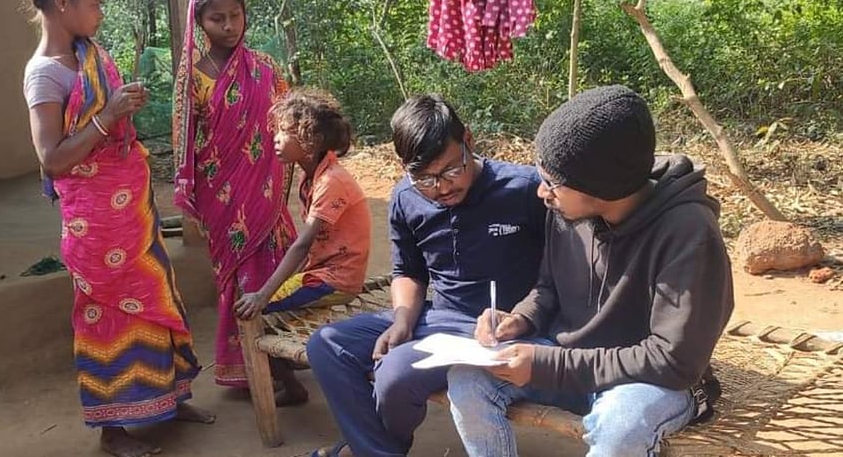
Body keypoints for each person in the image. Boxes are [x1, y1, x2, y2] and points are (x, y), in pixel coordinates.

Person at [446, 85, 734, 457]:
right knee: (468, 378)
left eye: (552, 183)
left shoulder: (688, 232)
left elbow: (673, 360)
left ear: (599, 185)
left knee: (621, 427)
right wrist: (520, 318)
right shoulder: (566, 210)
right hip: (572, 361)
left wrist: (549, 366)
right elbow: (548, 287)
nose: (542, 193)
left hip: (647, 380)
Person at [18, 0, 214, 457]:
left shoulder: (89, 53)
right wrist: (107, 117)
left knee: (155, 297)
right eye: (95, 4)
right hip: (95, 225)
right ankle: (113, 430)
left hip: (132, 214)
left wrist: (121, 108)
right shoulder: (44, 75)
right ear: (62, 2)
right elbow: (52, 160)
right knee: (108, 317)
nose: (101, 14)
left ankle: (170, 398)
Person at [306, 94, 547, 457]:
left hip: (506, 325)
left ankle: (367, 449)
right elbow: (408, 271)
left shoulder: (524, 189)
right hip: (440, 320)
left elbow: (558, 273)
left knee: (395, 374)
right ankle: (376, 451)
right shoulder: (406, 197)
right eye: (424, 178)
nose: (442, 187)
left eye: (451, 170)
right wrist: (403, 322)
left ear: (468, 140)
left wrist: (522, 317)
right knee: (326, 345)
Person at [172, 0, 296, 389]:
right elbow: (185, 141)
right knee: (240, 273)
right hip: (221, 192)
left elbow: (287, 122)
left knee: (276, 264)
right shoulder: (194, 78)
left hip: (264, 186)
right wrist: (189, 189)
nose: (228, 26)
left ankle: (282, 355)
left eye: (235, 15)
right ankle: (251, 366)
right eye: (217, 19)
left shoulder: (265, 67)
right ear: (199, 23)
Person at [234, 88, 371, 406]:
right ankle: (292, 367)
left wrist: (263, 295)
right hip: (322, 272)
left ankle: (293, 386)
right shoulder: (312, 177)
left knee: (253, 310)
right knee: (257, 300)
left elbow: (302, 244)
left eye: (285, 132)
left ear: (311, 142)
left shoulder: (331, 182)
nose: (276, 139)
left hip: (335, 278)